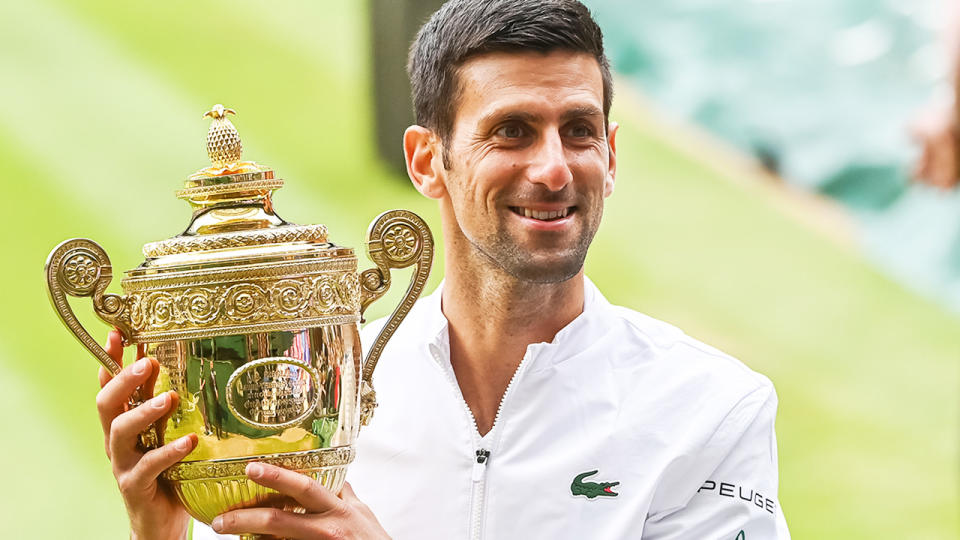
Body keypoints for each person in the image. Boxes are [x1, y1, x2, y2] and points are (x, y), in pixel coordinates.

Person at [96, 1, 790, 538]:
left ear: (610, 156)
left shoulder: (712, 410)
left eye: (578, 130)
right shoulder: (304, 389)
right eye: (512, 130)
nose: (554, 168)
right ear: (428, 161)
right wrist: (161, 529)